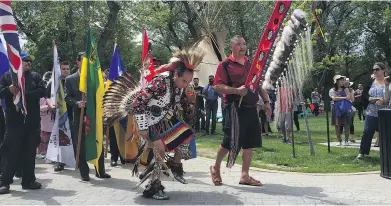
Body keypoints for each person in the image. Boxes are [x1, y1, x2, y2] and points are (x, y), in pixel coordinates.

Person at [103, 45, 205, 200]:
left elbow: (175, 104)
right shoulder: (160, 81)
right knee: (160, 150)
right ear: (176, 74)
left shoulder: (178, 85)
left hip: (163, 117)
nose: (185, 85)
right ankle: (153, 186)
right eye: (184, 81)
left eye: (188, 82)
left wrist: (187, 110)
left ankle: (175, 167)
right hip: (147, 119)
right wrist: (143, 128)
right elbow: (138, 103)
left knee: (187, 135)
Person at [210, 35, 271, 187]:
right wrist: (236, 91)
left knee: (249, 143)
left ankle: (245, 175)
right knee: (229, 142)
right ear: (232, 47)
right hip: (233, 108)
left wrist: (267, 102)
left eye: (244, 43)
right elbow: (217, 86)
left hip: (251, 108)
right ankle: (215, 167)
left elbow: (257, 85)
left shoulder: (250, 63)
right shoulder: (225, 65)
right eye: (239, 44)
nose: (242, 46)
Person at [0, 53, 46, 194]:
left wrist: (24, 93)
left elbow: (43, 90)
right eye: (25, 61)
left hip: (32, 122)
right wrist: (9, 90)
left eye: (29, 62)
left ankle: (28, 180)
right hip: (14, 122)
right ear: (17, 62)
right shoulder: (8, 77)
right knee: (11, 152)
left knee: (30, 152)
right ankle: (4, 182)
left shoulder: (36, 76)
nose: (28, 63)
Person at [65, 52, 111, 181]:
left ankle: (100, 171)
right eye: (84, 61)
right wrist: (77, 103)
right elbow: (67, 97)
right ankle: (84, 173)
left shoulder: (95, 79)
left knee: (97, 142)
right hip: (78, 116)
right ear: (78, 62)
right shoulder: (70, 79)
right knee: (79, 146)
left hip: (93, 116)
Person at [357, 62, 390, 159]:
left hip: (385, 112)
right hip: (371, 112)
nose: (375, 71)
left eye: (377, 69)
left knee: (386, 134)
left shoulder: (388, 81)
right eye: (373, 70)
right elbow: (364, 96)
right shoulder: (371, 82)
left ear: (383, 70)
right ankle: (362, 153)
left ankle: (387, 154)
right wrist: (372, 99)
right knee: (367, 132)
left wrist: (384, 101)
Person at [46, 61, 71, 172]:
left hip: (72, 113)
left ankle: (74, 160)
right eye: (63, 69)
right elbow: (47, 96)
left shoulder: (73, 80)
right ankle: (60, 162)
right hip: (59, 115)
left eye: (67, 69)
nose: (66, 70)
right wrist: (51, 105)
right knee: (61, 139)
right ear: (59, 70)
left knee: (72, 138)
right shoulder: (53, 82)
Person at [329, 75, 354, 146]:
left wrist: (347, 95)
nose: (342, 82)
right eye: (341, 80)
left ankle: (346, 140)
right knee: (337, 125)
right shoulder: (332, 90)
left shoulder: (346, 89)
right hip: (336, 108)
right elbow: (334, 98)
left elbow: (349, 98)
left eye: (343, 80)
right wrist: (344, 97)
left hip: (345, 108)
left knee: (346, 124)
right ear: (336, 82)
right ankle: (339, 140)